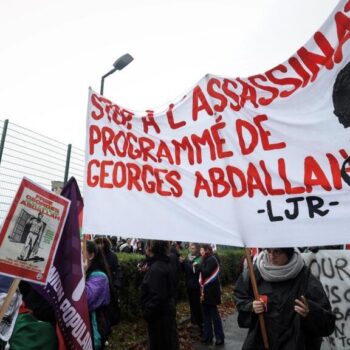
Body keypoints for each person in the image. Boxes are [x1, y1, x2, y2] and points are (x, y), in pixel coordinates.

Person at [234, 248, 335, 350]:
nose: (272, 256)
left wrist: (310, 312)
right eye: (269, 251)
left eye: (277, 252)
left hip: (296, 344)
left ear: (288, 253)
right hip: (261, 342)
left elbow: (327, 321)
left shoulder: (305, 277)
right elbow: (241, 297)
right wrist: (251, 306)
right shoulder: (255, 273)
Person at [140, 240, 179, 350]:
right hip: (164, 315)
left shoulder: (157, 268)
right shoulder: (163, 264)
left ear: (150, 248)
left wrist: (147, 313)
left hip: (159, 319)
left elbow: (157, 297)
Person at [84, 240, 111, 350]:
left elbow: (86, 301)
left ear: (91, 256)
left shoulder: (99, 276)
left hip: (93, 331)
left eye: (81, 252)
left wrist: (82, 273)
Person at [197, 244, 225, 346]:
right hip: (205, 292)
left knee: (214, 315)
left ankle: (219, 337)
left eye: (201, 250)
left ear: (206, 250)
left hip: (212, 292)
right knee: (206, 316)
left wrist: (199, 266)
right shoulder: (204, 259)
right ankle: (208, 336)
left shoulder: (212, 259)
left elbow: (205, 272)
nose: (200, 251)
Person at [94, 236, 122, 325]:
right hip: (98, 288)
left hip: (110, 286)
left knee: (109, 310)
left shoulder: (112, 255)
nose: (99, 245)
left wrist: (116, 284)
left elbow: (118, 270)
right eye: (97, 243)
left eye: (101, 243)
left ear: (105, 243)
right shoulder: (94, 255)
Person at [180, 243, 203, 334]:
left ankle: (200, 325)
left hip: (196, 286)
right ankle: (194, 323)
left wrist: (185, 262)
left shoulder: (199, 259)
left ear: (197, 249)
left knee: (197, 305)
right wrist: (181, 263)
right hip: (189, 284)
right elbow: (184, 270)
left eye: (193, 248)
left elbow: (194, 271)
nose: (191, 250)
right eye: (190, 248)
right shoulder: (188, 257)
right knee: (192, 305)